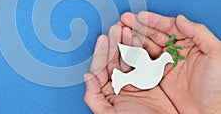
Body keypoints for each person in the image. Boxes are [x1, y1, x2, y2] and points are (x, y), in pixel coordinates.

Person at [84, 11, 221, 114]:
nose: (169, 61)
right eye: (168, 59)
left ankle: (121, 79)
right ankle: (121, 79)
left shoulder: (155, 68)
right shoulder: (146, 59)